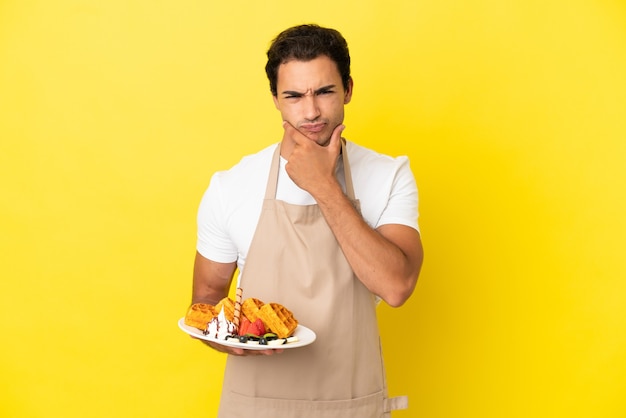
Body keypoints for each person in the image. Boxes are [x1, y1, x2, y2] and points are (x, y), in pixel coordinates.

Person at [191, 24, 424, 417]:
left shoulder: (389, 175)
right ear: (276, 100)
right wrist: (223, 338)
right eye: (294, 96)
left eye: (325, 92)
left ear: (348, 89)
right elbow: (206, 299)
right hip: (256, 406)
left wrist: (323, 186)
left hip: (351, 404)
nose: (311, 111)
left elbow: (397, 286)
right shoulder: (230, 186)